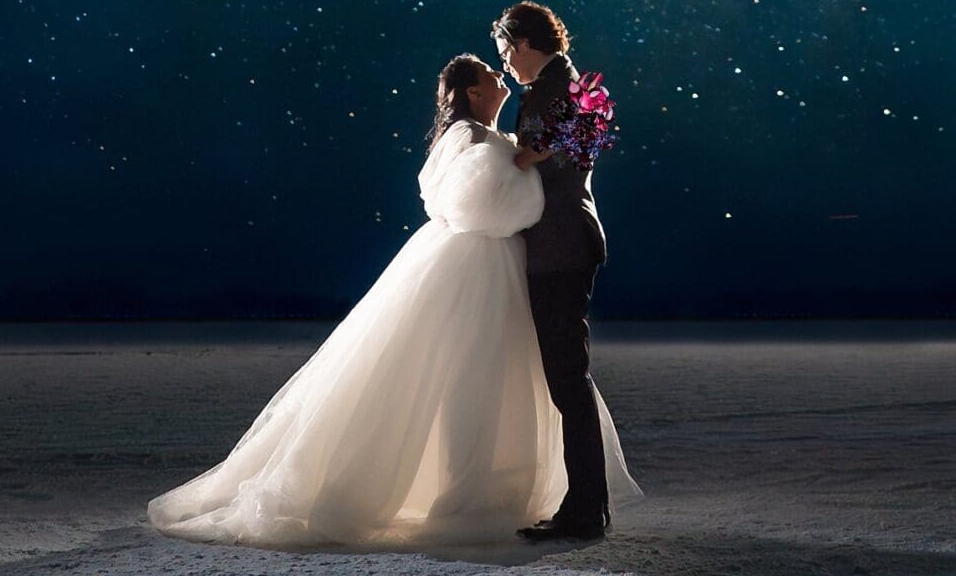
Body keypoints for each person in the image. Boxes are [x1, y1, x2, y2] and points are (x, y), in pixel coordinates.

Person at [146, 53, 638, 549]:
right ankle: (464, 491)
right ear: (473, 92)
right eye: (491, 72)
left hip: (495, 262)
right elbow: (472, 203)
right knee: (468, 372)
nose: (500, 73)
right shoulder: (472, 137)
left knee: (497, 373)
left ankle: (498, 488)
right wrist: (524, 176)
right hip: (476, 265)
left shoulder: (494, 137)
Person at [494, 0, 613, 540]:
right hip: (570, 238)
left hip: (561, 244)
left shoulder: (550, 91)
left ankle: (585, 510)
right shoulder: (572, 86)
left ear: (521, 43)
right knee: (568, 378)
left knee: (567, 378)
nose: (504, 66)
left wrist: (511, 152)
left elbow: (536, 155)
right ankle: (587, 505)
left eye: (504, 52)